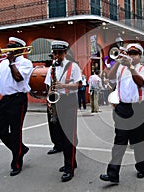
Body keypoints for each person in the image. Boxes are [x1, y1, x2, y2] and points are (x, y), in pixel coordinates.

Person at [100, 43, 144, 183]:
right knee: (119, 142)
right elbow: (110, 77)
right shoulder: (121, 69)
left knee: (139, 141)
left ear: (140, 56)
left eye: (134, 53)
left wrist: (130, 67)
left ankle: (141, 167)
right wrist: (117, 62)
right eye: (129, 53)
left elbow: (140, 82)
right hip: (123, 108)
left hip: (139, 108)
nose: (131, 55)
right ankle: (113, 174)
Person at [0, 37, 33, 176]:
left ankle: (17, 163)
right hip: (5, 100)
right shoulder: (2, 63)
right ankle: (21, 149)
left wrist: (11, 62)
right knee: (0, 130)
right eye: (7, 47)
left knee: (15, 133)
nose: (7, 50)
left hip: (18, 100)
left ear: (19, 49)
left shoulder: (26, 63)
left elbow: (18, 78)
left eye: (11, 48)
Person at [44, 40, 81, 182]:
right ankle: (72, 161)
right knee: (60, 134)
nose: (57, 55)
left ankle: (69, 168)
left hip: (69, 101)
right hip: (56, 101)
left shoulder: (73, 66)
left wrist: (63, 85)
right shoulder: (52, 68)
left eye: (60, 53)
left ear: (65, 53)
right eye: (55, 53)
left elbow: (79, 85)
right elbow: (48, 85)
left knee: (68, 136)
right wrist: (49, 98)